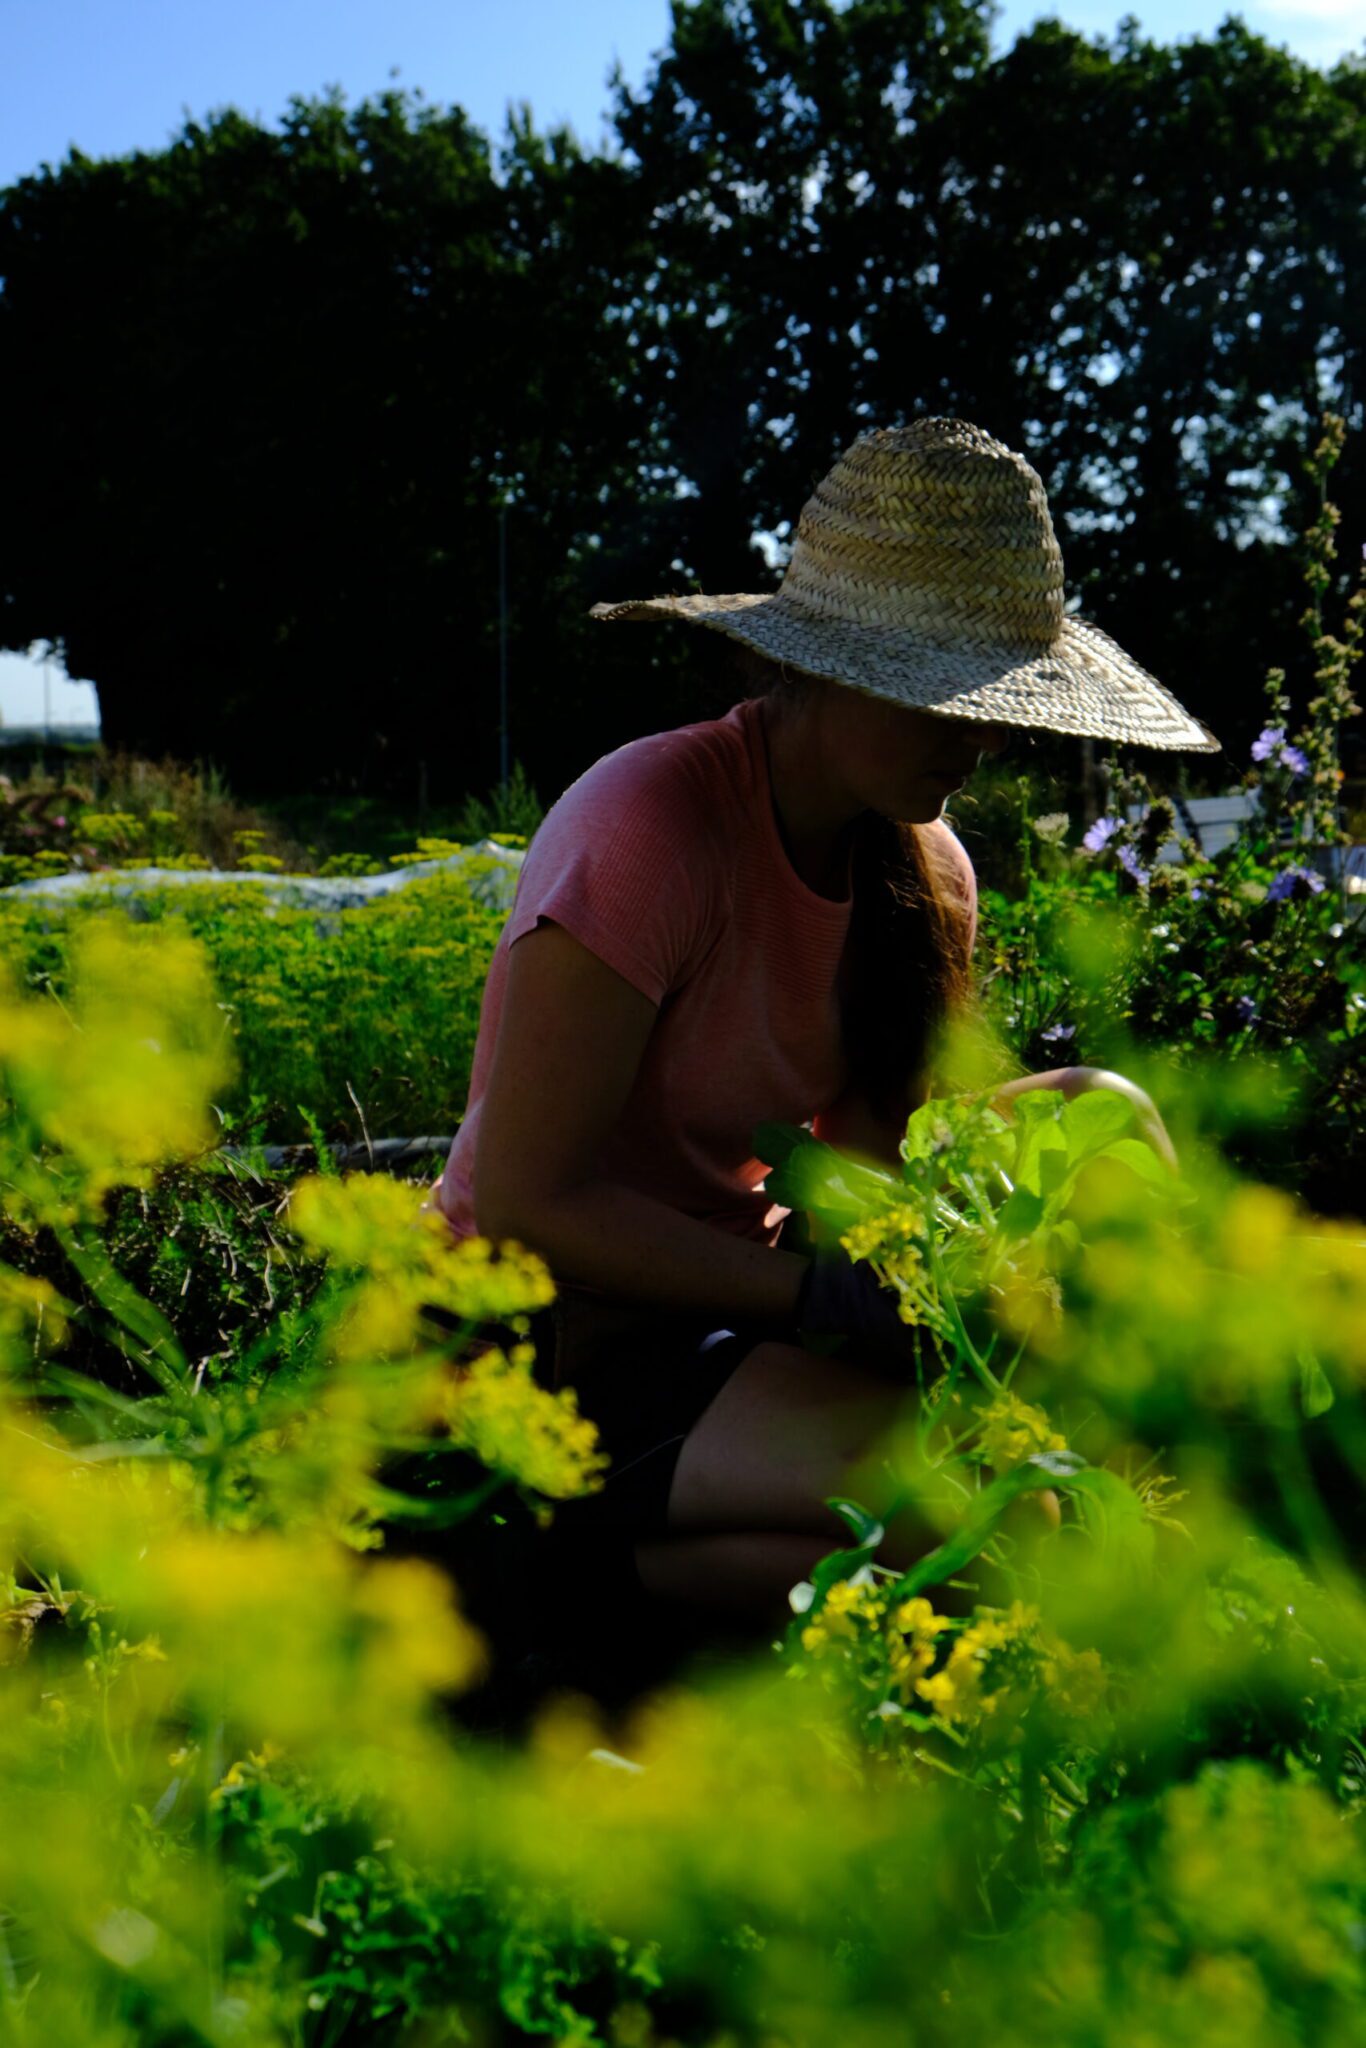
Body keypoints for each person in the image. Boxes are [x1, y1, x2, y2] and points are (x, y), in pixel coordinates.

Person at [430, 417, 1216, 1631]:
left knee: (1100, 1115)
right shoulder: (651, 824)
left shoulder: (926, 870)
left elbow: (866, 1164)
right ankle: (547, 1576)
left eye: (997, 696)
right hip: (549, 1332)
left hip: (732, 1300)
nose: (981, 733)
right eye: (942, 693)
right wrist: (808, 1300)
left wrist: (973, 1261)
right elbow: (532, 1203)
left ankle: (1203, 1468)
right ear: (827, 664)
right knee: (994, 1520)